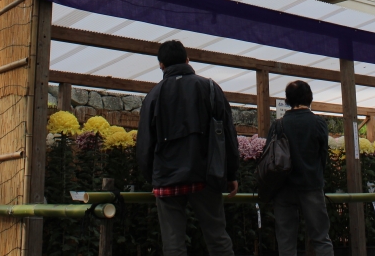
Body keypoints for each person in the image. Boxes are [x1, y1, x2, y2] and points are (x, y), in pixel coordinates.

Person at [137, 40, 240, 256]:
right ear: (187, 60)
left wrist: (152, 177)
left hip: (167, 178)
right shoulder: (210, 88)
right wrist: (231, 173)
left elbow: (145, 144)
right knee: (217, 239)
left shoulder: (153, 95)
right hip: (206, 175)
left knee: (173, 245)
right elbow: (228, 134)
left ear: (161, 65)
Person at [265, 80, 333, 256]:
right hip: (311, 186)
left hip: (283, 188)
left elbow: (268, 156)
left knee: (286, 242)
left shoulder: (278, 125)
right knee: (321, 238)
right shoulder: (318, 123)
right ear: (310, 98)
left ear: (287, 100)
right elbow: (323, 156)